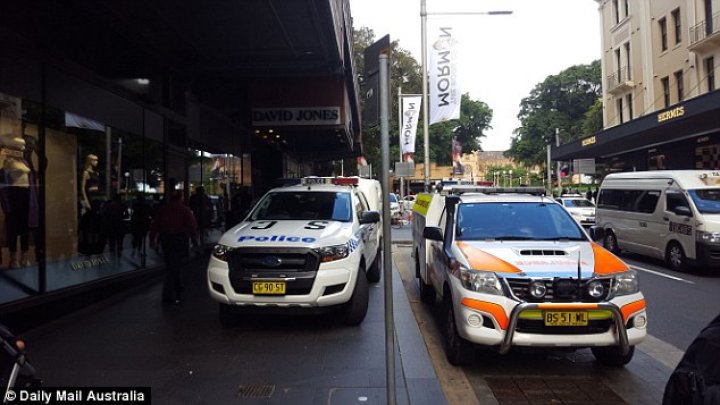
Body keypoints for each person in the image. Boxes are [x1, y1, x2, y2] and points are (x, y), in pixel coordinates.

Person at [149, 190, 197, 305]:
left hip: (166, 239)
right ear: (180, 198)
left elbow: (155, 225)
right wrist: (194, 239)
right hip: (179, 240)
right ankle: (167, 294)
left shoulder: (164, 209)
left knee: (171, 264)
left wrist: (152, 239)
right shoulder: (184, 210)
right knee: (174, 266)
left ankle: (177, 285)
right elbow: (192, 225)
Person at [129, 192, 153, 257]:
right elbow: (151, 213)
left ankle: (134, 250)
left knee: (136, 237)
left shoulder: (135, 205)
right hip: (143, 223)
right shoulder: (146, 206)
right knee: (141, 238)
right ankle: (138, 250)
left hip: (136, 223)